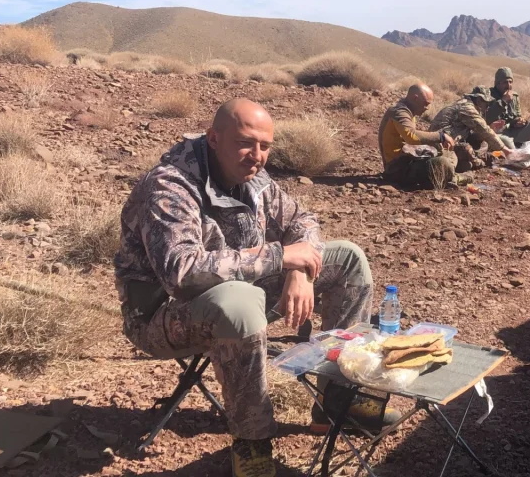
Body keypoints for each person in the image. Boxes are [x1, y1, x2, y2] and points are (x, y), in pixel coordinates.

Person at [114, 99, 398, 477]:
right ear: (214, 139)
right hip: (160, 316)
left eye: (265, 146)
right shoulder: (171, 185)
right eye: (246, 143)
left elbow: (303, 221)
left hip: (238, 294)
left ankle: (339, 403)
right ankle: (252, 444)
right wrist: (282, 257)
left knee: (347, 259)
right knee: (240, 300)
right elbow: (182, 272)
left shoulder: (254, 176)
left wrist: (301, 272)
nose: (257, 156)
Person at [378, 82, 467, 188]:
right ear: (415, 98)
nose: (427, 108)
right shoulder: (399, 112)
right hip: (397, 170)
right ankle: (453, 178)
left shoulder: (407, 111)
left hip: (406, 162)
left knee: (447, 153)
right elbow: (412, 136)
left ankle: (447, 173)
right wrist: (441, 136)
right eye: (425, 103)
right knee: (442, 162)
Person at [429, 87, 513, 157]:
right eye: (487, 104)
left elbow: (476, 132)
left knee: (483, 143)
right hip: (439, 143)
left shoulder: (467, 105)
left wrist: (491, 128)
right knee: (467, 152)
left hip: (446, 140)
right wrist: (506, 150)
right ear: (479, 100)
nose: (487, 108)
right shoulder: (467, 108)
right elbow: (484, 129)